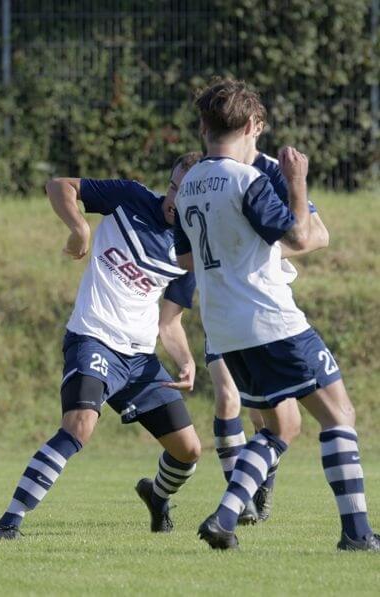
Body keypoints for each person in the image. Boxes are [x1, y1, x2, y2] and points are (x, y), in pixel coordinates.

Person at [176, 78, 377, 551]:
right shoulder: (248, 181)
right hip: (272, 321)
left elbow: (186, 261)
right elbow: (302, 239)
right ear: (251, 126)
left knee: (283, 427)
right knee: (340, 416)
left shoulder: (186, 189)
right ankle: (357, 534)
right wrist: (296, 181)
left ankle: (225, 518)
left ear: (203, 126)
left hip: (225, 331)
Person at [0, 153, 204, 540]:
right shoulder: (130, 197)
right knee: (79, 426)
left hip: (140, 359)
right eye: (172, 187)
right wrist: (80, 229)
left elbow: (169, 322)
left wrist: (185, 360)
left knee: (189, 451)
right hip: (94, 339)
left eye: (185, 193)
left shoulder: (190, 252)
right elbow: (59, 185)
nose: (173, 198)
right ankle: (9, 522)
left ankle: (156, 496)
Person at [207, 110, 331, 525]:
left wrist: (258, 247)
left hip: (263, 303)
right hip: (224, 304)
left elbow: (316, 235)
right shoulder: (208, 170)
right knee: (233, 400)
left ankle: (255, 495)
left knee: (269, 420)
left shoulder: (271, 171)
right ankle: (235, 507)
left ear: (257, 128)